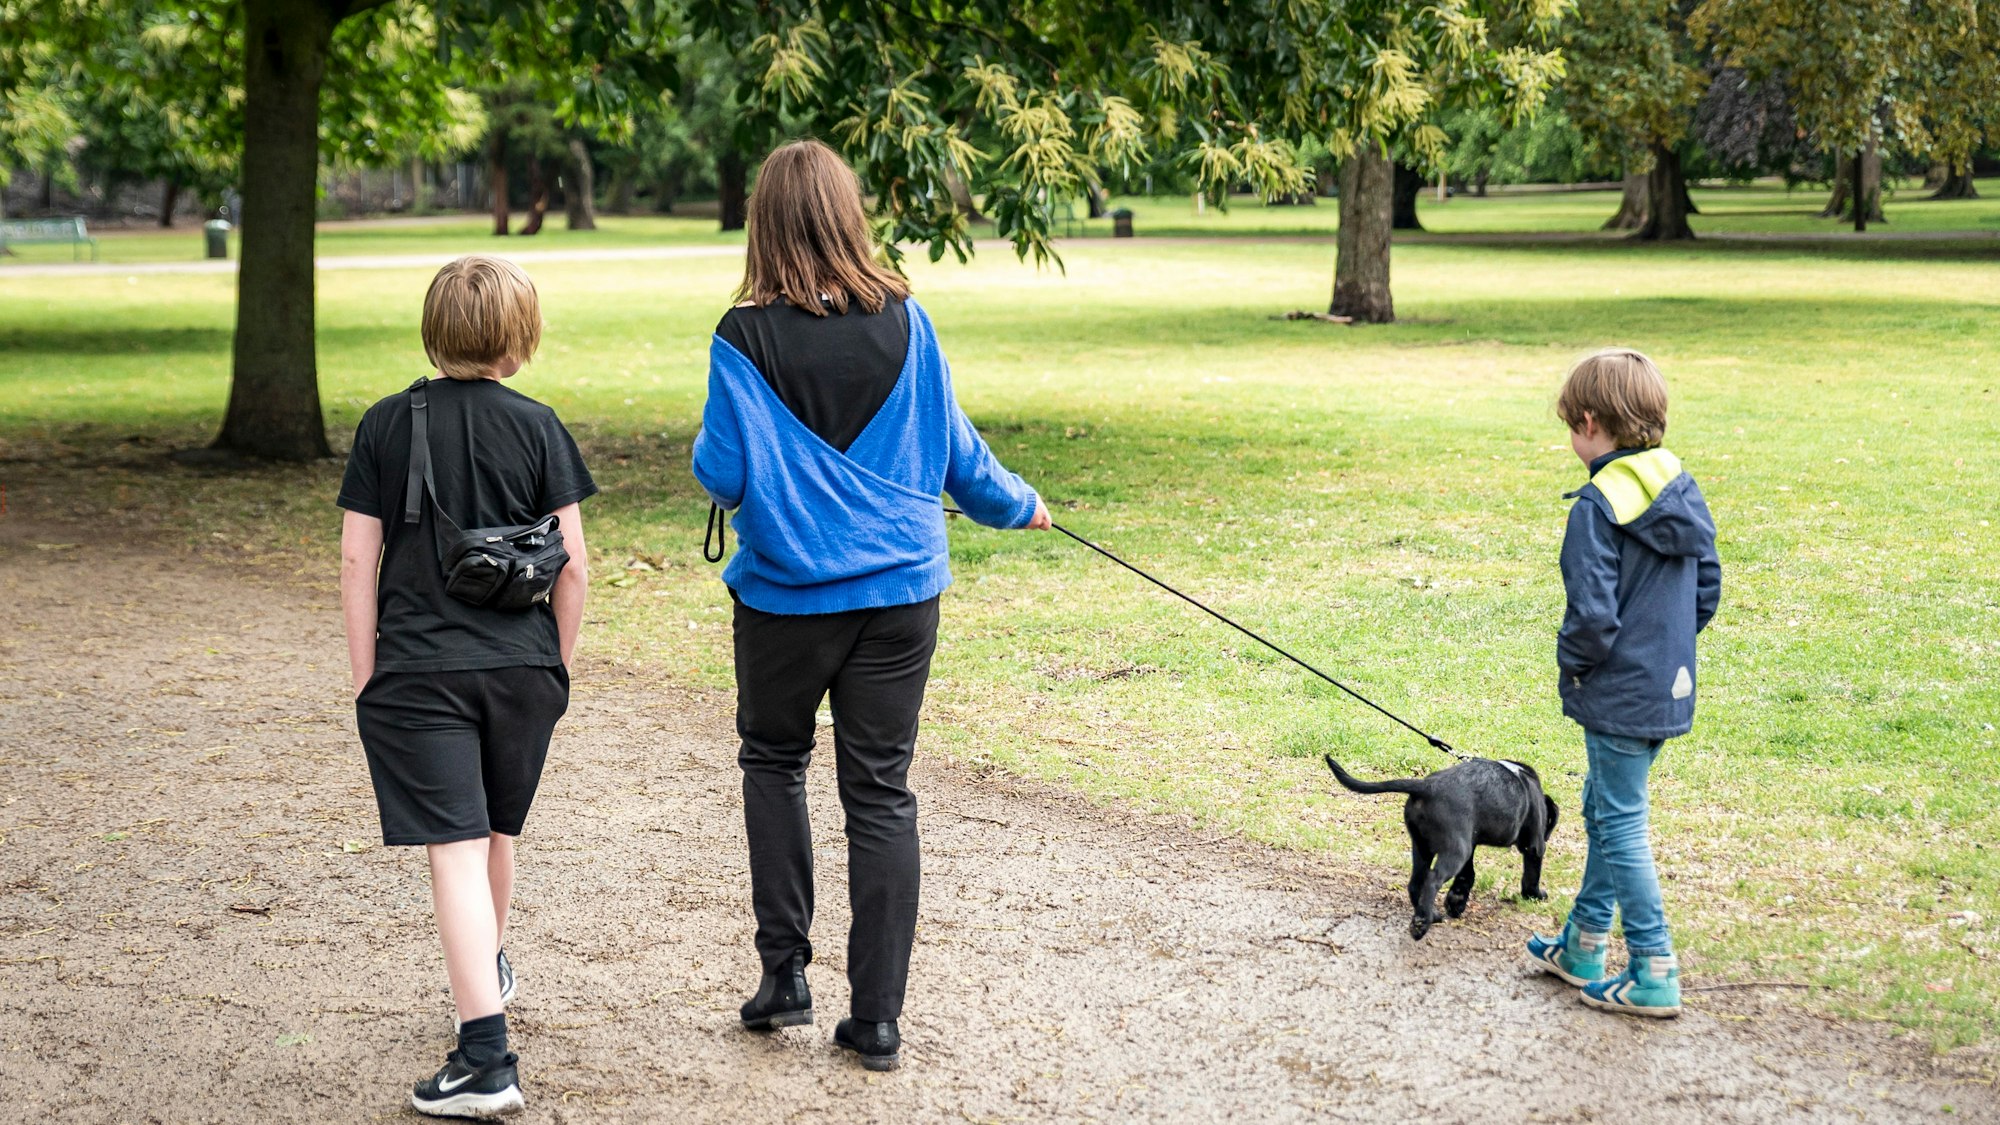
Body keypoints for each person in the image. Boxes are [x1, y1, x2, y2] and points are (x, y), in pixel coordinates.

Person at [692, 138, 1050, 1071]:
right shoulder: (908, 318)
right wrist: (1021, 506)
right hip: (899, 596)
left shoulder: (743, 336)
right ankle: (878, 1019)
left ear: (763, 221)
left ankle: (785, 981)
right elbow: (961, 455)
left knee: (774, 762)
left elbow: (722, 474)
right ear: (849, 213)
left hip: (786, 601)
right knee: (880, 792)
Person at [337, 255, 595, 1115]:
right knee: (492, 830)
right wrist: (555, 664)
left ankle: (486, 1057)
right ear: (519, 342)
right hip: (523, 670)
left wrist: (368, 676)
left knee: (452, 848)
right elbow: (575, 570)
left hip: (420, 671)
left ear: (432, 328)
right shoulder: (540, 425)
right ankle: (486, 966)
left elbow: (355, 562)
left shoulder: (383, 425)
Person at [1525, 347, 1720, 1018]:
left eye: (1569, 428)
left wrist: (1576, 664)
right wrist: (1669, 650)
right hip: (1669, 683)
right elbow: (1708, 586)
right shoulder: (1678, 485)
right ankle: (1582, 944)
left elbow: (1592, 615)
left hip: (1617, 689)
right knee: (1607, 808)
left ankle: (1653, 967)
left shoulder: (1596, 505)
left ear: (1587, 422)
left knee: (1620, 820)